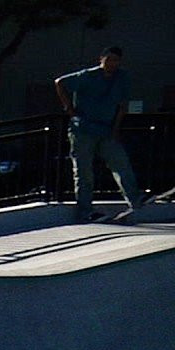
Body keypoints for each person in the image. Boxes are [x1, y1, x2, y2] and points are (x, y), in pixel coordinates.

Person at [55, 46, 143, 223]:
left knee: (120, 162)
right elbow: (60, 82)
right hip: (83, 129)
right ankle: (85, 210)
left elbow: (122, 106)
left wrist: (116, 129)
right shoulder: (88, 75)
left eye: (116, 60)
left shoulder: (122, 77)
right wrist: (70, 110)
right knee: (84, 171)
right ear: (101, 59)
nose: (112, 64)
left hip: (106, 128)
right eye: (109, 59)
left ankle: (135, 198)